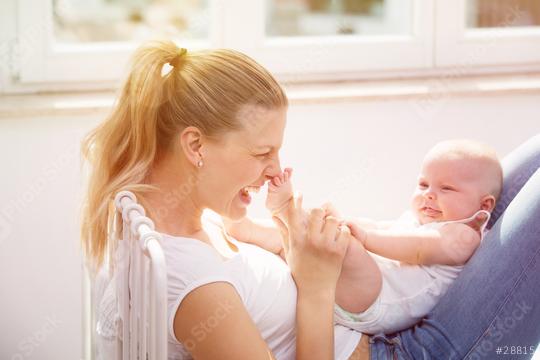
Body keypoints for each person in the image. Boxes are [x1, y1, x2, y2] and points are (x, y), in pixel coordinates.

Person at [82, 39, 540, 360]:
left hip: (396, 324)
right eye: (262, 152)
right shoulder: (195, 290)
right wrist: (317, 287)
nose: (274, 168)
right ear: (195, 146)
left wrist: (296, 240)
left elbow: (270, 264)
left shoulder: (182, 218)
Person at [228, 139, 503, 336]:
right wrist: (352, 223)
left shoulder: (465, 235)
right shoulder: (420, 220)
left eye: (447, 188)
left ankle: (288, 212)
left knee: (343, 245)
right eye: (423, 184)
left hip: (380, 303)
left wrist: (364, 237)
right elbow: (385, 228)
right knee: (318, 241)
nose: (429, 194)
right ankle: (253, 230)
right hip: (352, 292)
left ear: (485, 205)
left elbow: (418, 249)